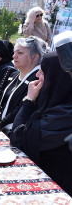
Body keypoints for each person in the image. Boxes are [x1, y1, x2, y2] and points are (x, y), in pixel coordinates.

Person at [11, 52, 72, 196]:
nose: (37, 75)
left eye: (42, 71)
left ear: (58, 77)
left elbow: (18, 139)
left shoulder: (65, 114)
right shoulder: (58, 101)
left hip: (56, 192)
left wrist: (29, 99)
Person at [0, 36, 47, 134]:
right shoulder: (15, 73)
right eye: (14, 52)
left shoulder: (37, 80)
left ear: (35, 57)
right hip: (2, 128)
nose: (14, 56)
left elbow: (19, 109)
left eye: (20, 53)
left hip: (14, 132)